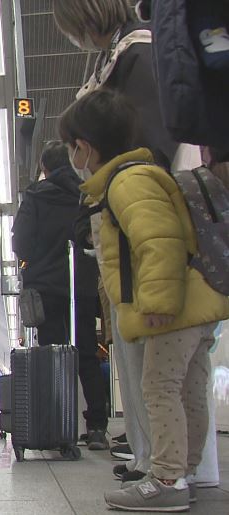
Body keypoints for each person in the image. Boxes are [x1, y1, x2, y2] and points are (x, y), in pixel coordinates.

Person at [59, 88, 229, 512]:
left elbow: (159, 242)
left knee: (159, 387)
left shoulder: (127, 182)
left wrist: (157, 303)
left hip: (174, 309)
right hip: (194, 305)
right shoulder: (141, 173)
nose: (71, 158)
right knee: (189, 388)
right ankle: (184, 472)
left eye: (70, 148)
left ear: (84, 148)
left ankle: (167, 477)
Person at [12, 140, 110, 450]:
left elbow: (21, 245)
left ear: (44, 168)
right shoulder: (86, 193)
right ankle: (96, 427)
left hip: (46, 289)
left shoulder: (35, 196)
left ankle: (55, 426)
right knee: (84, 354)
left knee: (52, 355)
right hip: (80, 286)